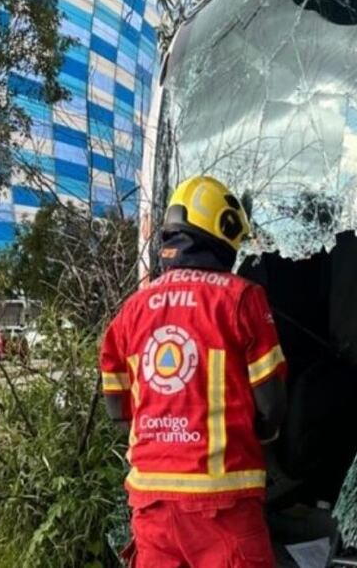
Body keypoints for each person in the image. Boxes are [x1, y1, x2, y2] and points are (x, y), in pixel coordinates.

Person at [100, 175, 287, 567]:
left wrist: (163, 440)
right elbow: (271, 405)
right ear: (220, 232)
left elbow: (117, 407)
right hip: (223, 505)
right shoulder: (241, 298)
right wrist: (256, 437)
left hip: (151, 508)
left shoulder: (132, 309)